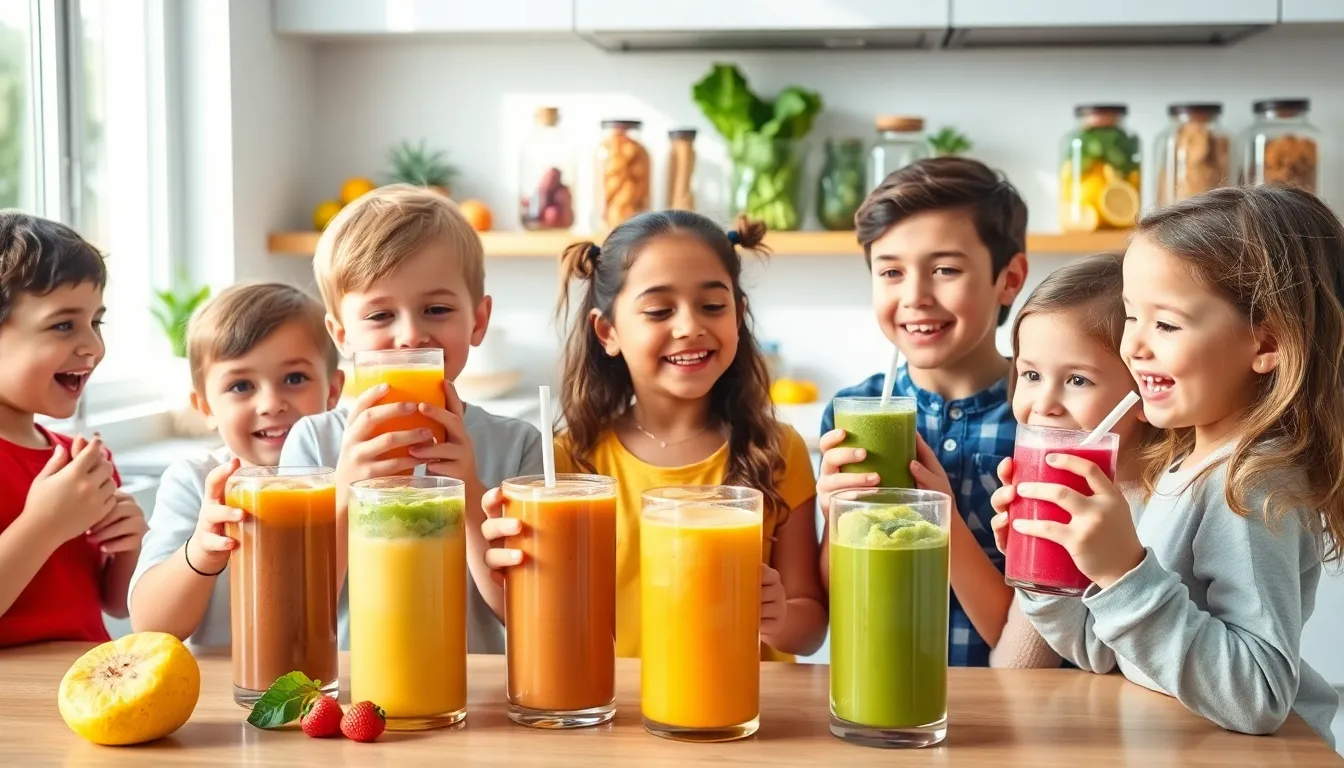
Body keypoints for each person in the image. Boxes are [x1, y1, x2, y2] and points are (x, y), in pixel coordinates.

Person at [993, 185, 1343, 746]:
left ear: (1267, 343)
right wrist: (1048, 574)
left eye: (1167, 325)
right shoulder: (1181, 469)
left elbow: (1258, 695)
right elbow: (1106, 651)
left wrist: (1124, 571)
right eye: (1133, 316)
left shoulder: (1249, 482)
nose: (1133, 346)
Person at [476, 211, 828, 660]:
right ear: (608, 332)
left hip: (741, 701)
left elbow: (810, 628)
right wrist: (508, 570)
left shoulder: (776, 450)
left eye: (713, 306)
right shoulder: (569, 463)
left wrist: (778, 616)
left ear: (739, 315)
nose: (690, 327)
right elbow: (540, 620)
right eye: (659, 311)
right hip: (618, 702)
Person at [278, 184, 543, 654]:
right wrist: (344, 495)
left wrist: (471, 495)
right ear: (341, 335)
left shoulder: (518, 445)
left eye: (436, 310)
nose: (411, 335)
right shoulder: (313, 443)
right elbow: (294, 614)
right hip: (355, 689)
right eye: (380, 315)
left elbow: (529, 614)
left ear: (478, 320)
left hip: (471, 687)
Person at [816, 157, 1029, 666]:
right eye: (891, 272)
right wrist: (836, 517)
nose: (915, 297)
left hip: (1006, 699)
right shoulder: (852, 414)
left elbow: (1036, 641)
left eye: (945, 270)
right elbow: (838, 602)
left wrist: (940, 520)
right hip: (879, 687)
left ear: (1009, 278)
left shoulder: (1044, 418)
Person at [128, 283, 342, 645]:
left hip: (336, 680)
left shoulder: (354, 481)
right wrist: (201, 550)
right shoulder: (194, 482)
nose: (271, 404)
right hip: (223, 681)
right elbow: (151, 628)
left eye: (294, 379)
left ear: (333, 391)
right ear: (205, 406)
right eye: (241, 386)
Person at [991, 252, 1159, 668]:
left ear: (1143, 388)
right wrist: (1037, 578)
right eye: (1031, 375)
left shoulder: (1166, 504)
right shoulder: (1060, 489)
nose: (1043, 404)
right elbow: (1077, 656)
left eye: (1077, 380)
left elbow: (1112, 659)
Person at [0, 211, 146, 646]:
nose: (94, 347)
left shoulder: (82, 462)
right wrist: (44, 525)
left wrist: (129, 546)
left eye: (96, 322)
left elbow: (115, 604)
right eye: (63, 325)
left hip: (87, 678)